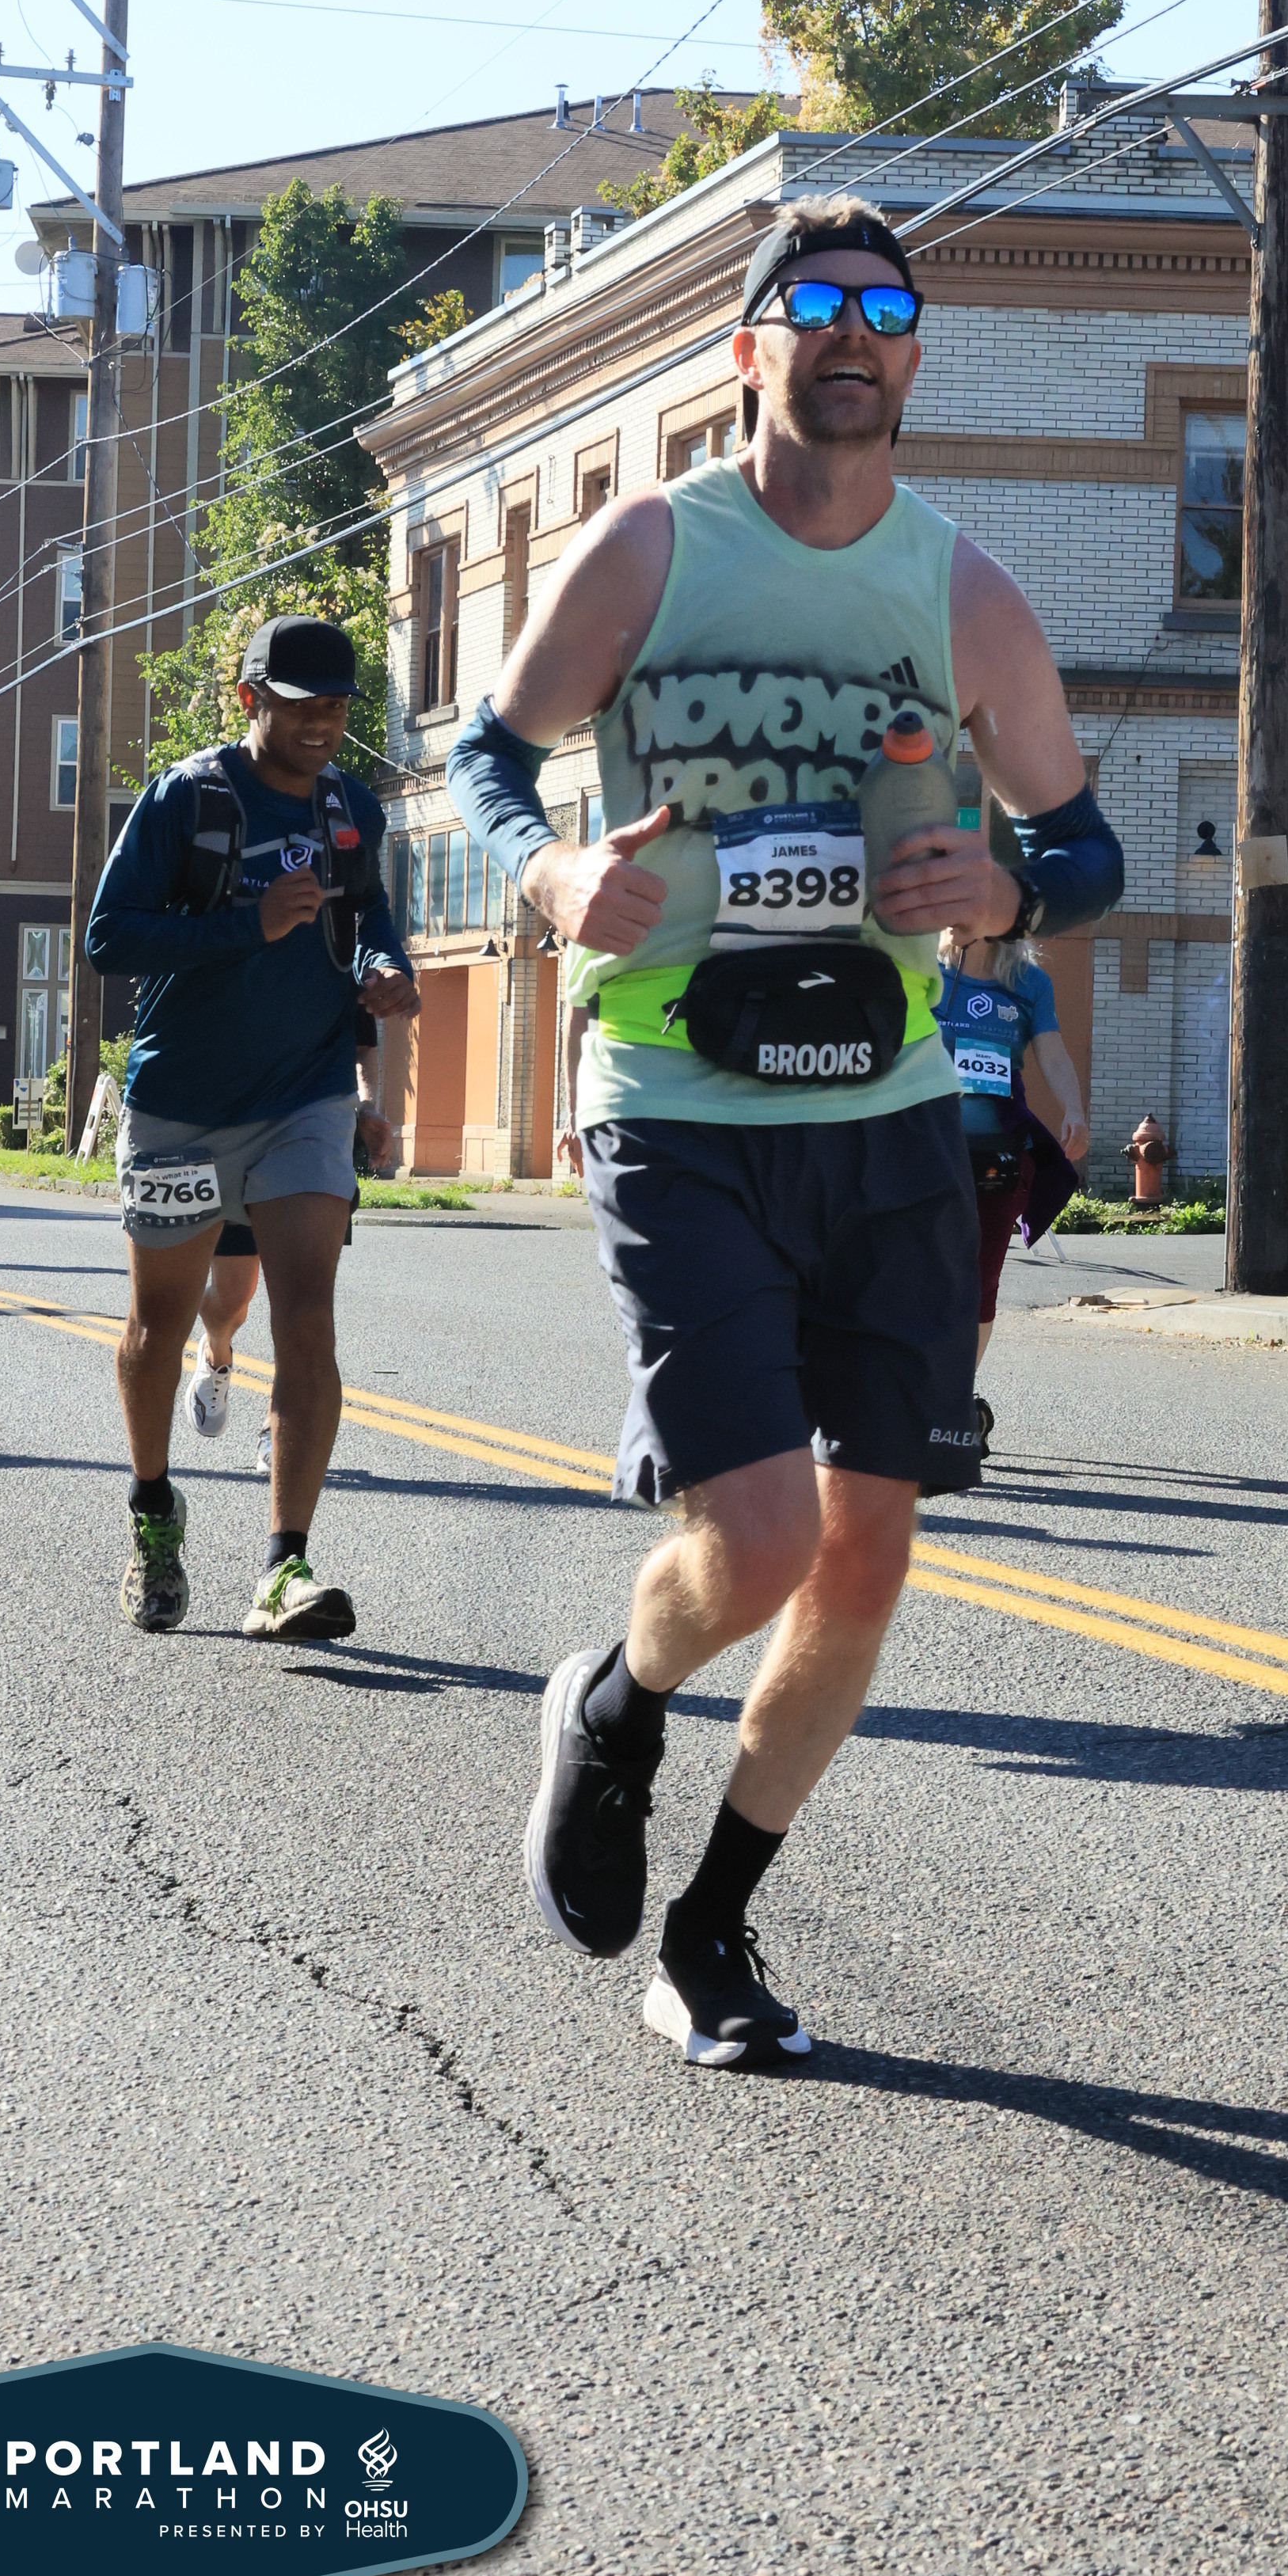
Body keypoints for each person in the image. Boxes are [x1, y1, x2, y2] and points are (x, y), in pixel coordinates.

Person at [448, 192, 1123, 2069]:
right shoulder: (654, 548)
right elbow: (488, 757)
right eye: (812, 303)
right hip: (680, 1102)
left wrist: (1005, 890)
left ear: (912, 360)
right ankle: (613, 1699)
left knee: (865, 1554)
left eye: (884, 313)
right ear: (748, 347)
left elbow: (1082, 846)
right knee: (753, 1539)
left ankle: (712, 1930)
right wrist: (550, 872)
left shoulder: (961, 592)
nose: (851, 334)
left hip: (890, 1114)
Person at [84, 613, 419, 1640]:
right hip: (182, 1104)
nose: (322, 724)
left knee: (307, 1316)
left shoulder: (351, 807)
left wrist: (384, 969)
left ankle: (285, 1567)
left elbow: (369, 914)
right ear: (250, 700)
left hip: (306, 1097)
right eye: (300, 705)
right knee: (159, 1328)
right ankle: (154, 1510)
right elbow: (108, 938)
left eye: (337, 708)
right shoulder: (188, 798)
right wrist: (249, 924)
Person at [184, 1007, 400, 1468]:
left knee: (301, 1309)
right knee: (232, 1299)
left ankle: (278, 1427)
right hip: (238, 1136)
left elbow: (363, 1045)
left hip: (315, 1141)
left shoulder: (339, 963)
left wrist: (366, 1107)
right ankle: (216, 1350)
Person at [933, 929, 1089, 1454]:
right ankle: (918, 1394)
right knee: (913, 1273)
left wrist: (1073, 1108)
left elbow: (1052, 1052)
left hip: (997, 1151)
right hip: (923, 1148)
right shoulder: (922, 973)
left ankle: (954, 1401)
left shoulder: (1030, 984)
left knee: (981, 1279)